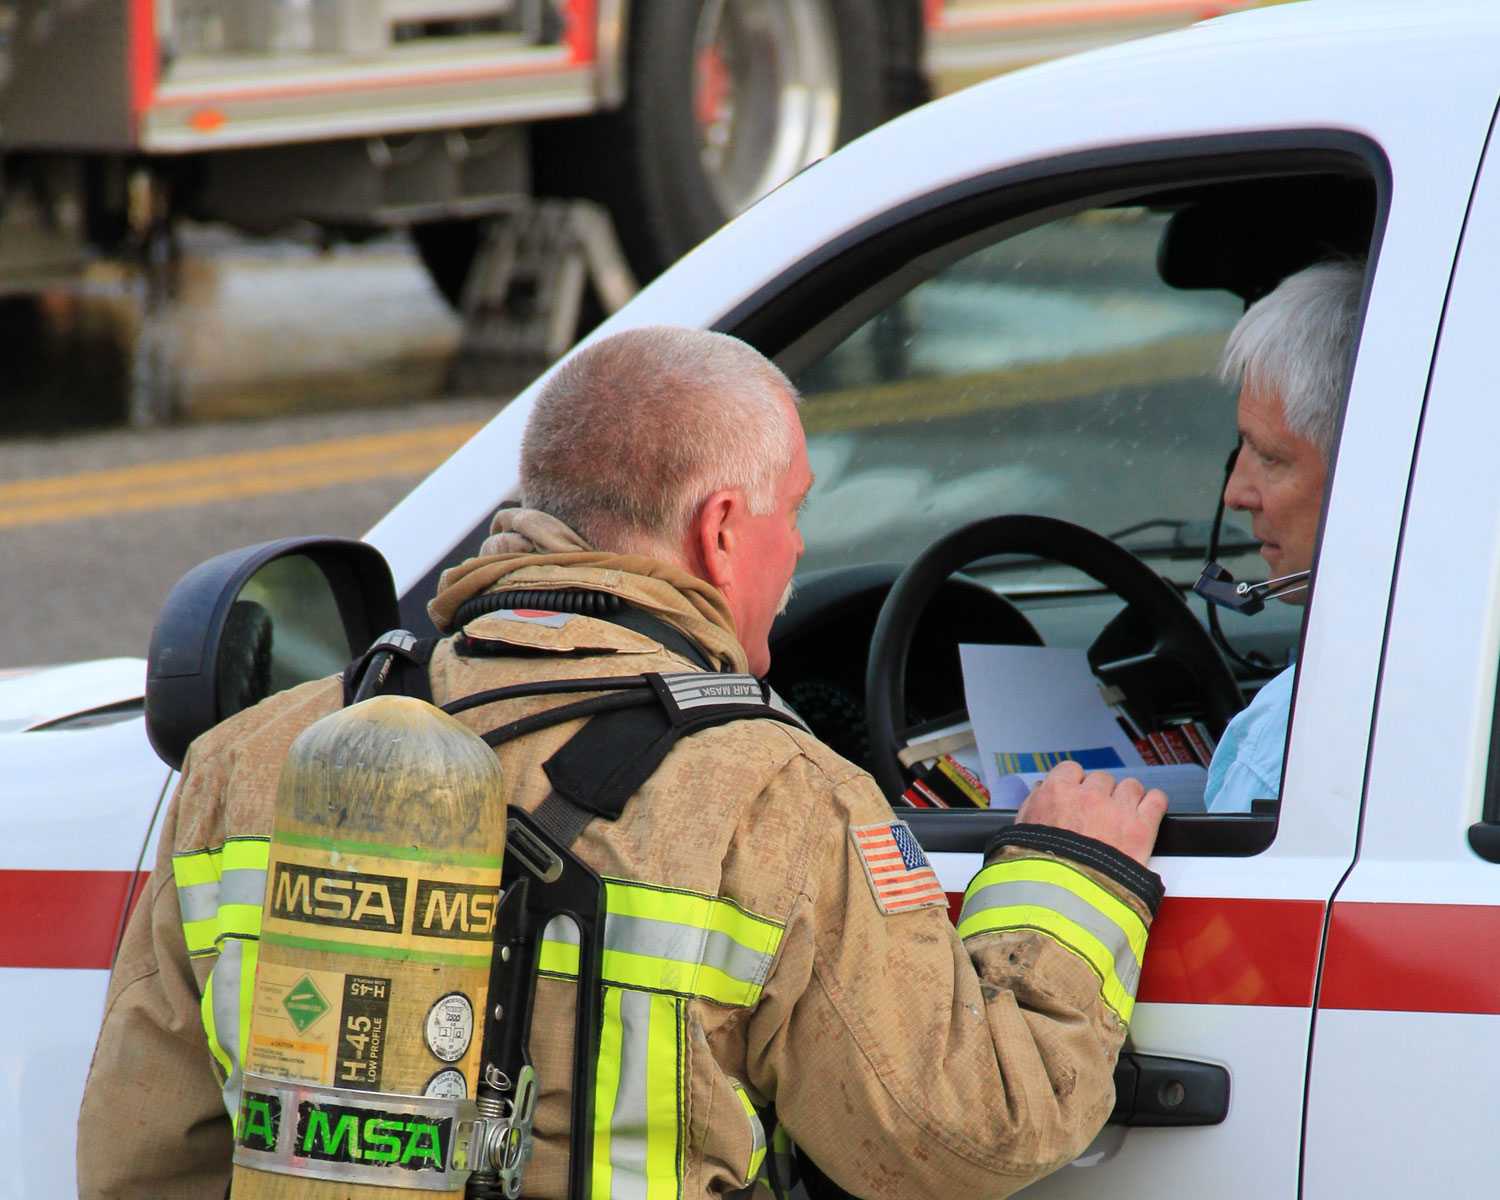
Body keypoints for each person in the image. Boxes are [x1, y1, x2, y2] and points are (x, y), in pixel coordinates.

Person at [79, 326, 1168, 1200]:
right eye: (795, 513)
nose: (798, 554)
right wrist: (1066, 887)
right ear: (724, 530)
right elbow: (962, 1136)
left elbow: (145, 1156)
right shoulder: (774, 794)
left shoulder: (246, 762)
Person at [1205, 260, 1364, 813]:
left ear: (1369, 475)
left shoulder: (1289, 740)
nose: (1235, 492)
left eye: (1270, 456)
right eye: (1240, 449)